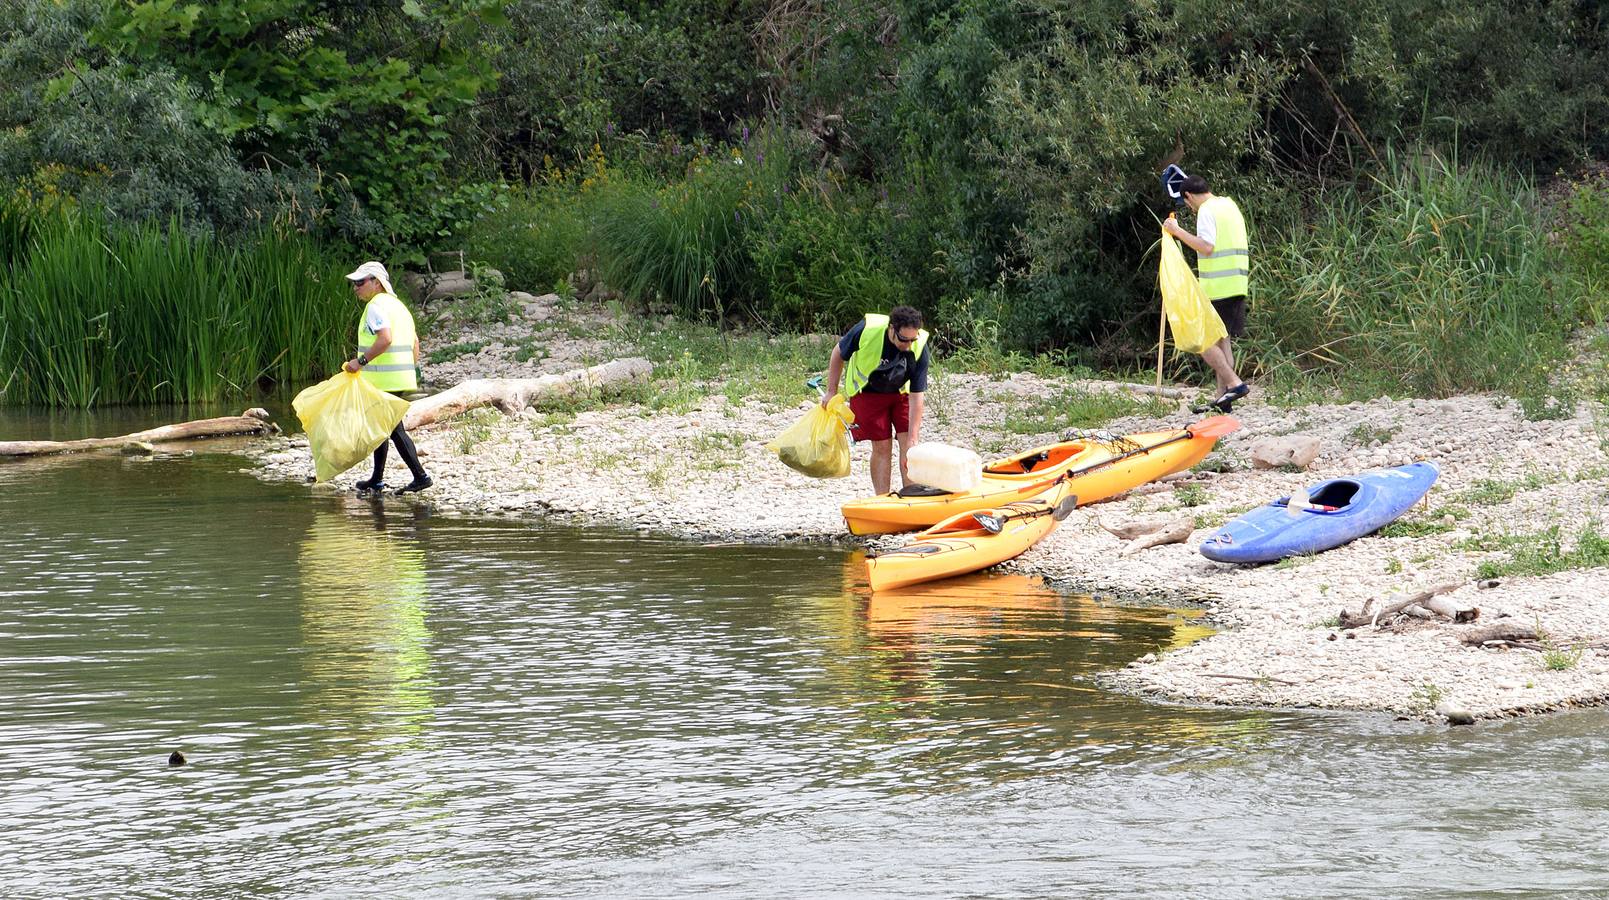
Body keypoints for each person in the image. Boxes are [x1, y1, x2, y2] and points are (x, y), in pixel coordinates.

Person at [1163, 173, 1251, 412]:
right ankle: (1223, 400)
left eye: (1187, 203)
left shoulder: (1206, 211)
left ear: (1189, 196)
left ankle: (1235, 384)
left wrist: (1177, 231)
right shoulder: (1229, 206)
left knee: (1201, 340)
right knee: (1223, 341)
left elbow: (1207, 247)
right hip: (1237, 282)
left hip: (1218, 286)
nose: (1189, 208)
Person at [342, 261, 433, 494]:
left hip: (385, 381)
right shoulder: (399, 306)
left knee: (392, 429)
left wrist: (359, 362)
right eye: (354, 283)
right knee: (382, 427)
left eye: (360, 282)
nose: (356, 287)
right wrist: (409, 371)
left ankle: (420, 477)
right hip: (400, 378)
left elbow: (385, 339)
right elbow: (415, 343)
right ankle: (377, 479)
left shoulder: (376, 306)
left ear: (377, 282)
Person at [821, 306, 930, 495]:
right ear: (892, 329)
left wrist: (914, 437)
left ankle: (913, 496)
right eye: (904, 340)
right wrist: (831, 391)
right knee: (882, 445)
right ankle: (882, 498)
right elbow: (837, 353)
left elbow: (917, 395)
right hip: (868, 392)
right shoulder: (866, 330)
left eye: (913, 339)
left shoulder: (919, 346)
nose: (909, 345)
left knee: (909, 444)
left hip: (900, 393)